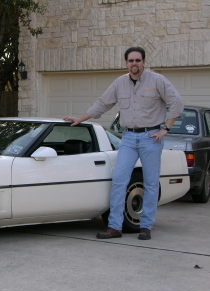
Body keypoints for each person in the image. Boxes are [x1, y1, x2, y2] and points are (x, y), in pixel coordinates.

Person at [64, 46, 184, 240]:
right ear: (126, 63)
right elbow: (103, 103)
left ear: (144, 62)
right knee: (119, 180)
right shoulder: (119, 83)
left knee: (151, 183)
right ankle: (114, 227)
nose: (134, 64)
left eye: (138, 60)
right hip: (128, 137)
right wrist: (81, 118)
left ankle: (145, 226)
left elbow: (177, 103)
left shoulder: (157, 81)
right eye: (131, 60)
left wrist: (166, 128)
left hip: (151, 137)